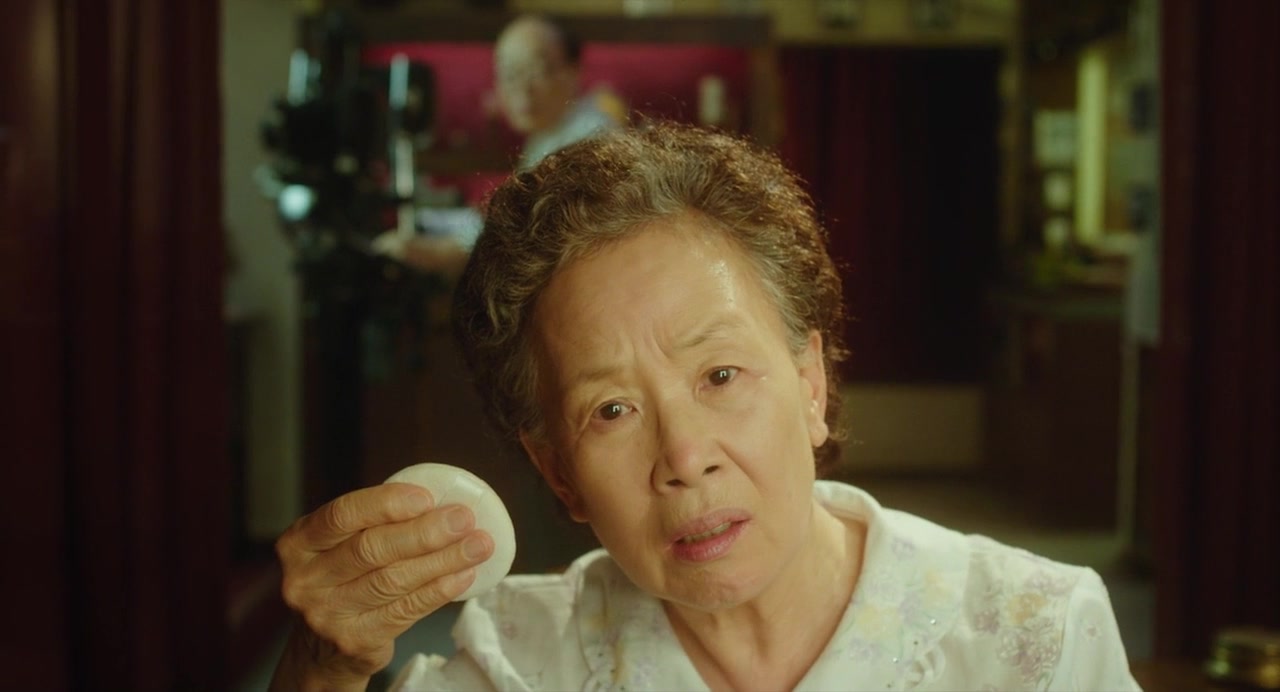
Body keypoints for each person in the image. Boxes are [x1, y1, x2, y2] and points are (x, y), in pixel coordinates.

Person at [271, 122, 1141, 691]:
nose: (685, 457)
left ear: (811, 383)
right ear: (558, 474)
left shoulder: (1034, 637)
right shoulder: (522, 662)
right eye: (611, 410)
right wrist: (323, 668)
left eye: (721, 375)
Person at [373, 14, 621, 274]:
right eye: (511, 75)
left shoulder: (591, 138)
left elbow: (532, 236)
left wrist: (440, 253)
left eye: (536, 71)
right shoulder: (547, 134)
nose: (523, 89)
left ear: (574, 72)